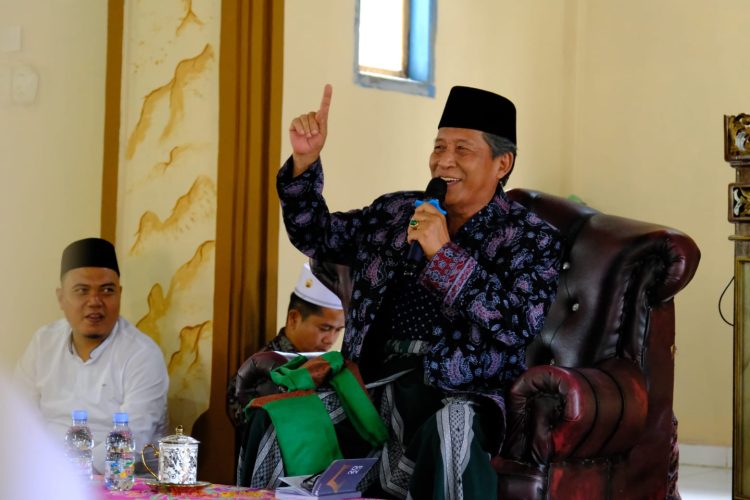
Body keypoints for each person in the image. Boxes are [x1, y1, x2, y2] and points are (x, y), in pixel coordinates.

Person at [240, 85, 562, 499]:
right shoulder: (396, 212)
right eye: (439, 146)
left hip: (458, 393)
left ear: (503, 163)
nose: (444, 160)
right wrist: (305, 162)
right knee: (283, 420)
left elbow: (518, 323)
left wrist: (444, 254)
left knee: (453, 434)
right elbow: (318, 236)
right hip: (372, 387)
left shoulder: (530, 238)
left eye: (463, 149)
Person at [13, 237, 169, 474]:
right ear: (61, 298)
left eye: (107, 290)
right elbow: (18, 418)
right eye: (81, 291)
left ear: (120, 294)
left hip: (123, 483)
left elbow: (132, 438)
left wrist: (72, 473)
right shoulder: (43, 343)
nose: (95, 302)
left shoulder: (142, 354)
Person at [227, 262, 345, 427]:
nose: (330, 339)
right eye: (324, 328)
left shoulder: (330, 367)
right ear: (294, 318)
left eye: (338, 330)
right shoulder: (257, 371)